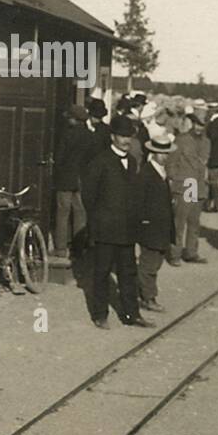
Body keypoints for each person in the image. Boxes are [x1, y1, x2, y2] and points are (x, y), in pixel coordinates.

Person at [81, 114, 153, 329]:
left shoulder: (132, 161)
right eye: (122, 136)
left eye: (129, 136)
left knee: (128, 274)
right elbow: (89, 196)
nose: (126, 140)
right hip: (105, 229)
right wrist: (99, 220)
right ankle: (100, 315)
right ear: (113, 137)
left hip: (127, 230)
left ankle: (132, 315)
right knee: (102, 273)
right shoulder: (100, 162)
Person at [135, 128, 177, 314]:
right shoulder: (146, 173)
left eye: (167, 153)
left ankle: (145, 294)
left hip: (161, 227)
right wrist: (143, 225)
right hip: (151, 227)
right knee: (148, 264)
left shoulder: (161, 171)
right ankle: (147, 297)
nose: (165, 157)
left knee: (155, 263)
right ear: (153, 153)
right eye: (161, 153)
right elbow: (139, 202)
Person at [167, 111, 210, 264]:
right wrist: (174, 180)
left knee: (194, 223)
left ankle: (191, 252)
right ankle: (175, 254)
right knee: (179, 223)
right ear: (192, 123)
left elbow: (205, 165)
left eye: (203, 125)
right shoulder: (182, 139)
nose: (199, 128)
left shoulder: (206, 142)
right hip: (185, 185)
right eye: (197, 124)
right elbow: (171, 162)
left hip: (198, 187)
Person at [52, 104, 90, 260]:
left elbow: (60, 157)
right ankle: (78, 248)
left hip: (65, 178)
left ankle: (61, 249)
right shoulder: (89, 135)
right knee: (80, 213)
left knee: (63, 213)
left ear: (74, 119)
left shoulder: (67, 134)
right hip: (81, 179)